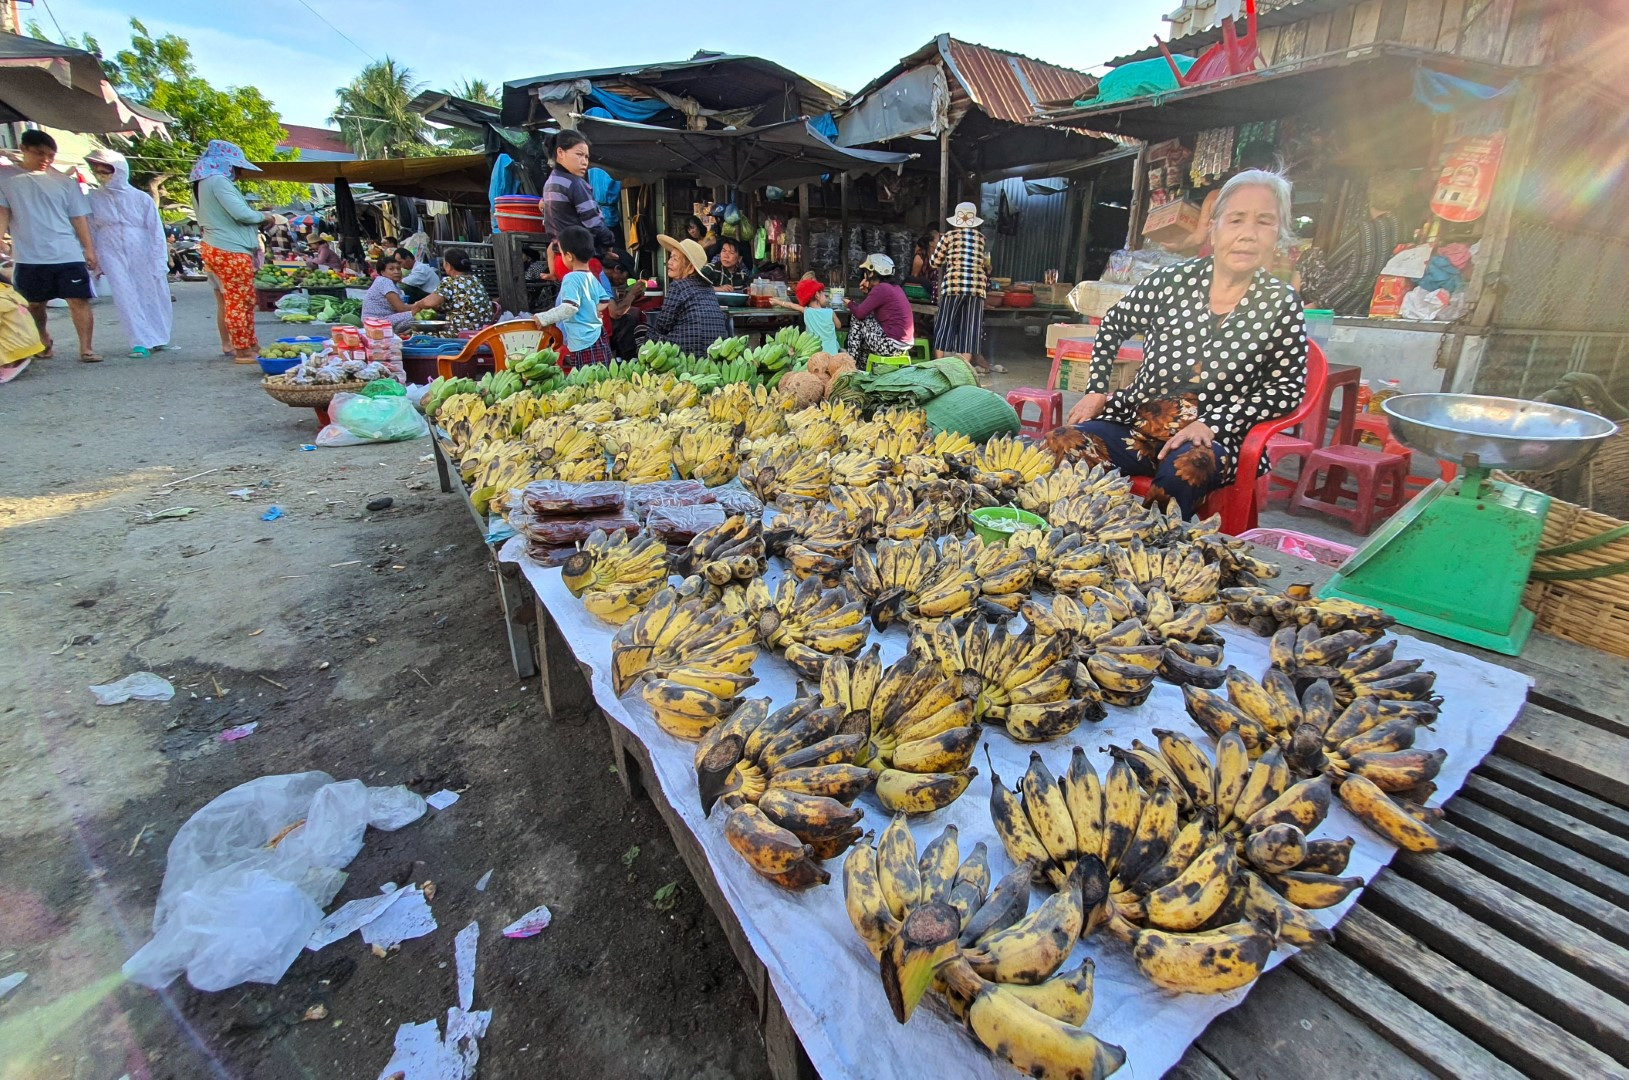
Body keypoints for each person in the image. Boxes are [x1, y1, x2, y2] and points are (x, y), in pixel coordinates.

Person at [1044, 169, 1309, 518]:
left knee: (1183, 472)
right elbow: (1112, 325)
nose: (1247, 234)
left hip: (1213, 438)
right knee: (1060, 442)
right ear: (1213, 228)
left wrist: (1215, 424)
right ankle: (1076, 541)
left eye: (1264, 222)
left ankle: (1152, 557)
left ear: (1278, 234)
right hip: (1137, 421)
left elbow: (1286, 388)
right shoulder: (1172, 281)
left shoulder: (1280, 301)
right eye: (1236, 220)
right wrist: (1096, 390)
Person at [0, 130, 99, 363]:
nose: (46, 159)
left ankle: (86, 348)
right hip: (29, 255)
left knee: (78, 300)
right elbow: (3, 211)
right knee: (34, 304)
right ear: (23, 149)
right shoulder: (6, 178)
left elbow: (78, 218)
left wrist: (89, 249)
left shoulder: (66, 182)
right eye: (39, 153)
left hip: (67, 251)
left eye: (51, 155)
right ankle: (43, 339)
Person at [190, 139, 278, 363]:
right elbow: (242, 214)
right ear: (225, 164)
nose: (239, 173)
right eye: (237, 167)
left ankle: (249, 344)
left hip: (216, 246)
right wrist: (265, 217)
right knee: (239, 302)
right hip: (229, 248)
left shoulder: (201, 183)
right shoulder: (218, 181)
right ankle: (242, 349)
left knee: (240, 300)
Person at [85, 148, 172, 357]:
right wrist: (92, 256)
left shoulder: (141, 198)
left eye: (107, 170)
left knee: (150, 291)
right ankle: (139, 340)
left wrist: (160, 258)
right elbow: (90, 228)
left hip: (140, 245)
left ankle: (159, 335)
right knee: (124, 294)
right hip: (109, 247)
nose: (102, 175)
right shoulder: (93, 198)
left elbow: (155, 230)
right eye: (98, 171)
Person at [1321, 171, 1410, 315]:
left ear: (1370, 197)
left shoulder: (1364, 230)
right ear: (1399, 200)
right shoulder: (1403, 228)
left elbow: (1332, 262)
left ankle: (1296, 305)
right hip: (1371, 298)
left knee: (1309, 256)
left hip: (1344, 297)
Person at [540, 130, 615, 282]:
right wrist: (609, 242)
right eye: (579, 155)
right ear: (560, 152)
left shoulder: (551, 182)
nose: (584, 161)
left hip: (561, 260)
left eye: (586, 157)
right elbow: (593, 222)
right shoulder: (575, 184)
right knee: (600, 305)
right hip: (580, 262)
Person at [931, 203, 998, 373]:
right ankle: (964, 368)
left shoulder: (948, 236)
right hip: (976, 288)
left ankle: (939, 365)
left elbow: (934, 262)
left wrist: (949, 257)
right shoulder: (981, 238)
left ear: (956, 221)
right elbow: (983, 262)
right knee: (970, 327)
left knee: (945, 323)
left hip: (953, 285)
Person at [532, 225, 612, 367]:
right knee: (600, 376)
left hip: (583, 341)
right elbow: (605, 300)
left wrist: (543, 318)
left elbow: (570, 308)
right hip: (598, 336)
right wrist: (593, 310)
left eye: (561, 253)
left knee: (586, 381)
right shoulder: (591, 277)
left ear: (569, 256)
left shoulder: (571, 278)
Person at [648, 234, 728, 356]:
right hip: (715, 353)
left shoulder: (678, 286)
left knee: (644, 332)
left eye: (675, 259)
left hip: (687, 353)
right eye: (670, 257)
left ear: (690, 268)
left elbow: (662, 326)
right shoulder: (709, 288)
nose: (669, 262)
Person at [844, 254, 914, 362]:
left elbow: (860, 313)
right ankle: (861, 367)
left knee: (857, 318)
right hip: (902, 346)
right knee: (863, 338)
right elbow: (873, 311)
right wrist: (868, 293)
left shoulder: (881, 288)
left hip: (891, 345)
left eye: (866, 272)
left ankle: (849, 360)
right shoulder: (894, 288)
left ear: (871, 273)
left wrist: (849, 303)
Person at [412, 248, 492, 334]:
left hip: (459, 333)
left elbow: (429, 303)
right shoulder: (475, 280)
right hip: (480, 331)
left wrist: (418, 305)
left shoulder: (450, 282)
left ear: (448, 265)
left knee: (417, 333)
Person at [772, 278, 840, 354]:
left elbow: (792, 305)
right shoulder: (830, 312)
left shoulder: (807, 311)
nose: (826, 298)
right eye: (824, 295)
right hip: (832, 351)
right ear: (817, 295)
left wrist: (777, 302)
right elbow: (838, 326)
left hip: (814, 351)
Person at [601, 250, 648, 359]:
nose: (625, 281)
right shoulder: (602, 277)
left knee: (631, 314)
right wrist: (631, 294)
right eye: (626, 276)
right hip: (591, 329)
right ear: (617, 269)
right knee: (628, 321)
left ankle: (620, 357)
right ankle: (629, 361)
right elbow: (615, 313)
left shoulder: (602, 275)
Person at [361, 254, 417, 334]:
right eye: (391, 269)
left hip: (375, 322)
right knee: (417, 314)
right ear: (382, 272)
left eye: (398, 269)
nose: (396, 272)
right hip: (377, 323)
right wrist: (420, 305)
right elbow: (401, 308)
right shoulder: (384, 281)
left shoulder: (390, 283)